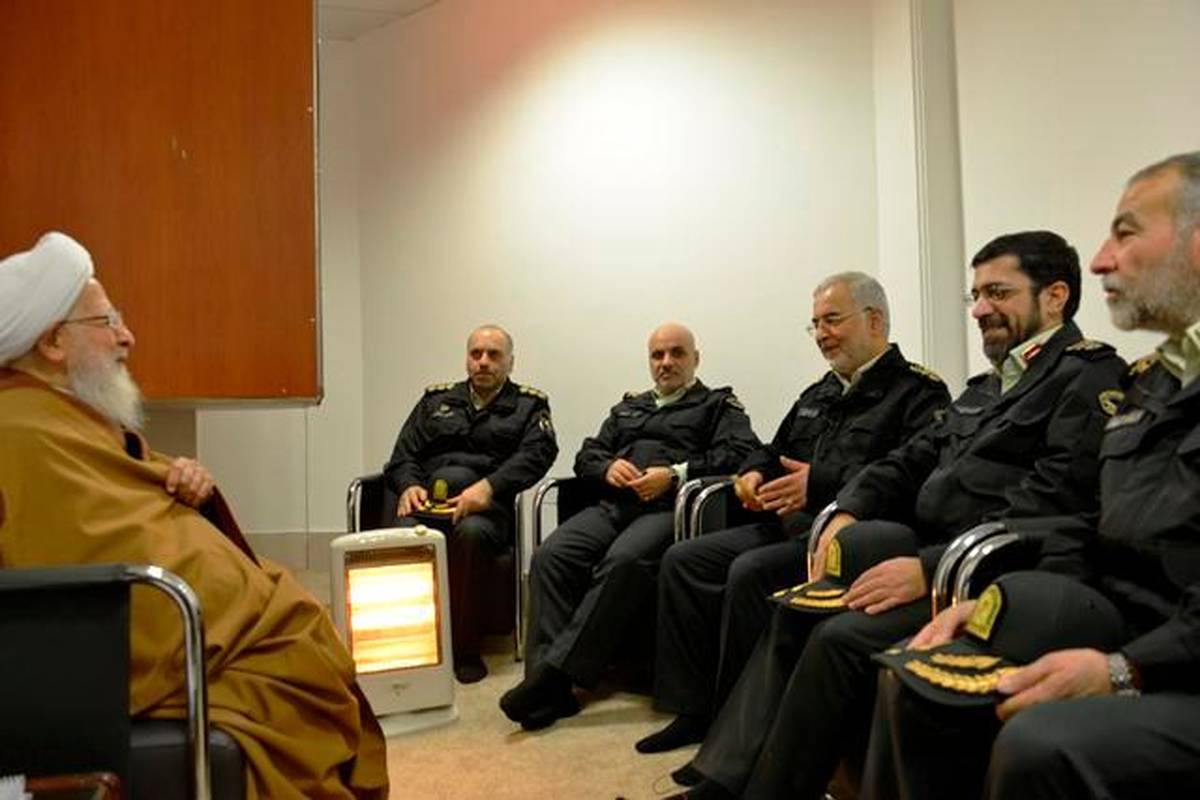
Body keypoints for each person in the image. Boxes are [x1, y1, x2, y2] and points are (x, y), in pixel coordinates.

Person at [669, 230, 1127, 800]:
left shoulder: (1086, 376)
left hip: (990, 572)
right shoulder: (984, 388)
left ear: (1055, 297)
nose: (979, 309)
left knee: (839, 636)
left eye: (998, 293)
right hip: (928, 550)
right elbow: (909, 460)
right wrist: (847, 507)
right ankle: (726, 779)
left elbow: (1054, 503)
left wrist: (929, 568)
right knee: (796, 610)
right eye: (976, 295)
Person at [0, 232, 388, 800]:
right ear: (54, 342)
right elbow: (80, 548)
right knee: (294, 672)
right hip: (128, 650)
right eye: (108, 321)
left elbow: (125, 494)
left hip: (193, 621)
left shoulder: (60, 412)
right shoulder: (18, 432)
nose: (127, 337)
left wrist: (186, 485)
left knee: (306, 633)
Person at [861, 151, 1200, 800]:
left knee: (1040, 744)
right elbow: (1091, 522)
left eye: (1126, 233)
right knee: (915, 675)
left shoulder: (1093, 374)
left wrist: (1124, 669)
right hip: (1119, 618)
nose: (1100, 259)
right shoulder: (1156, 381)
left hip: (1175, 655)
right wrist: (1008, 603)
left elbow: (1049, 492)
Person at [637, 273, 949, 754]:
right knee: (684, 560)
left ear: (874, 321)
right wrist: (751, 474)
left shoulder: (919, 393)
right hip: (787, 526)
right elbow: (771, 450)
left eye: (831, 320)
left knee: (749, 572)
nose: (821, 333)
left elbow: (908, 474)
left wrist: (820, 482)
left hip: (851, 541)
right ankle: (693, 709)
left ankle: (740, 734)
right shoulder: (819, 393)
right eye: (815, 324)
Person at [500, 322, 759, 731]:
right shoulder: (628, 407)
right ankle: (546, 688)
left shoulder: (718, 406)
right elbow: (587, 454)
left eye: (676, 353)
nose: (666, 362)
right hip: (612, 506)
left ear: (696, 359)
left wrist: (675, 473)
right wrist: (607, 466)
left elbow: (742, 453)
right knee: (551, 555)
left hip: (668, 509)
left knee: (624, 561)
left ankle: (554, 676)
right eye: (658, 355)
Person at [383, 324, 557, 682]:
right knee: (403, 534)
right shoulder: (436, 401)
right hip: (429, 504)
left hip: (487, 510)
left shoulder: (528, 405)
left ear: (510, 362)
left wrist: (490, 487)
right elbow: (403, 454)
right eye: (476, 354)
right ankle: (410, 641)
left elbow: (537, 454)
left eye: (494, 355)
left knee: (472, 535)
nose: (483, 362)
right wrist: (409, 485)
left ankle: (465, 649)